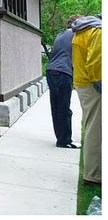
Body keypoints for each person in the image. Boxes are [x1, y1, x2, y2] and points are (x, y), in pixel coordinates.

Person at [71, 15, 102, 186]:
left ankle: (94, 171)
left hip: (83, 82)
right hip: (92, 85)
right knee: (96, 130)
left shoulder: (84, 29)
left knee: (92, 127)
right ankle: (94, 175)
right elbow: (96, 62)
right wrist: (101, 85)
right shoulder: (98, 30)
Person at [46, 15, 82, 149]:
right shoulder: (75, 35)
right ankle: (65, 140)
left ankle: (61, 139)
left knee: (56, 107)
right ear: (76, 24)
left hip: (51, 71)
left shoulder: (61, 34)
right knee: (64, 108)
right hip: (63, 73)